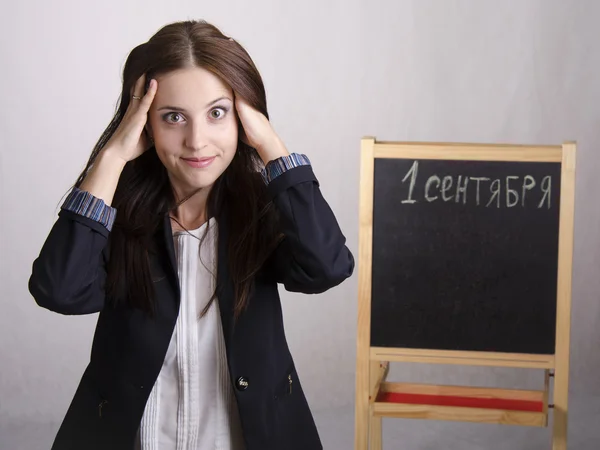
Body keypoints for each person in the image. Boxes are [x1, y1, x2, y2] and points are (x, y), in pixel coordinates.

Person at [28, 20, 354, 450]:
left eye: (217, 113)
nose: (197, 141)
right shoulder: (114, 212)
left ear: (243, 117)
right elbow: (59, 291)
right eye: (173, 117)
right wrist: (110, 158)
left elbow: (327, 267)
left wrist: (272, 146)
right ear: (144, 123)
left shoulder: (261, 207)